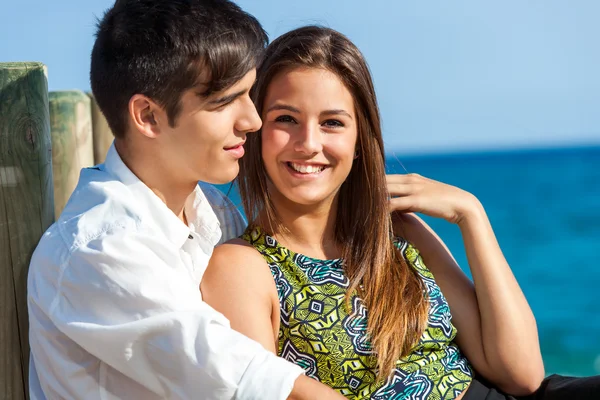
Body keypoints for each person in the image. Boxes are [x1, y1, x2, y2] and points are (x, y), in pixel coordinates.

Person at [201, 26, 600, 400]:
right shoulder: (241, 266)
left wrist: (471, 216)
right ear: (255, 129)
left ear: (360, 141)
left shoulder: (398, 232)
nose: (308, 143)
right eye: (286, 119)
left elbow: (522, 374)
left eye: (332, 123)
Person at [27, 2, 345, 399]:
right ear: (148, 116)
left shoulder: (212, 211)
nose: (252, 120)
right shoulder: (100, 250)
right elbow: (265, 386)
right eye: (226, 100)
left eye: (249, 94)